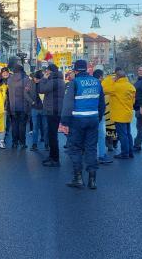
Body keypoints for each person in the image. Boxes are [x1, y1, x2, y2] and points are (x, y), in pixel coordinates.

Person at [60, 60, 105, 190]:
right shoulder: (97, 82)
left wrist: (64, 122)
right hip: (93, 119)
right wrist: (98, 116)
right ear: (86, 69)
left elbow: (67, 104)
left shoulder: (74, 83)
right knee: (91, 148)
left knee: (75, 148)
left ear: (75, 70)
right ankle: (92, 180)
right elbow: (101, 103)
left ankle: (78, 178)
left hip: (77, 120)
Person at [101, 67, 136, 159]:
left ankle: (124, 153)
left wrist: (112, 80)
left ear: (117, 77)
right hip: (128, 113)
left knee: (122, 135)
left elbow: (103, 89)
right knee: (128, 134)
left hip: (119, 114)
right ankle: (130, 152)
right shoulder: (130, 86)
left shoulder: (116, 87)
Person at [39, 64, 65, 167]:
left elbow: (41, 89)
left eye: (47, 71)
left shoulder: (54, 81)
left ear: (50, 71)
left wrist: (43, 79)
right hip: (55, 110)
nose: (46, 73)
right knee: (51, 135)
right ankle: (52, 156)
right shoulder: (59, 80)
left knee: (52, 135)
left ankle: (55, 159)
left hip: (53, 110)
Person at [7, 63, 31, 149]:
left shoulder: (9, 80)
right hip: (23, 106)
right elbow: (28, 92)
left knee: (14, 126)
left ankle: (14, 143)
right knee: (22, 126)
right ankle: (22, 143)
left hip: (12, 106)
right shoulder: (26, 79)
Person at [92, 70, 114, 164]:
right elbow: (101, 102)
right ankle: (101, 155)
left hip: (88, 114)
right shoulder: (100, 85)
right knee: (101, 135)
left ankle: (91, 155)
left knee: (90, 135)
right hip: (99, 114)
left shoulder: (89, 84)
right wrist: (101, 115)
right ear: (101, 77)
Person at [28, 70, 45, 151]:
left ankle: (46, 143)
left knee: (45, 127)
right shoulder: (30, 83)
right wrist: (32, 101)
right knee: (35, 127)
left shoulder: (45, 83)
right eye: (35, 78)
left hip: (44, 108)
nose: (36, 80)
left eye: (38, 79)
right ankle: (34, 144)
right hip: (34, 108)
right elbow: (25, 93)